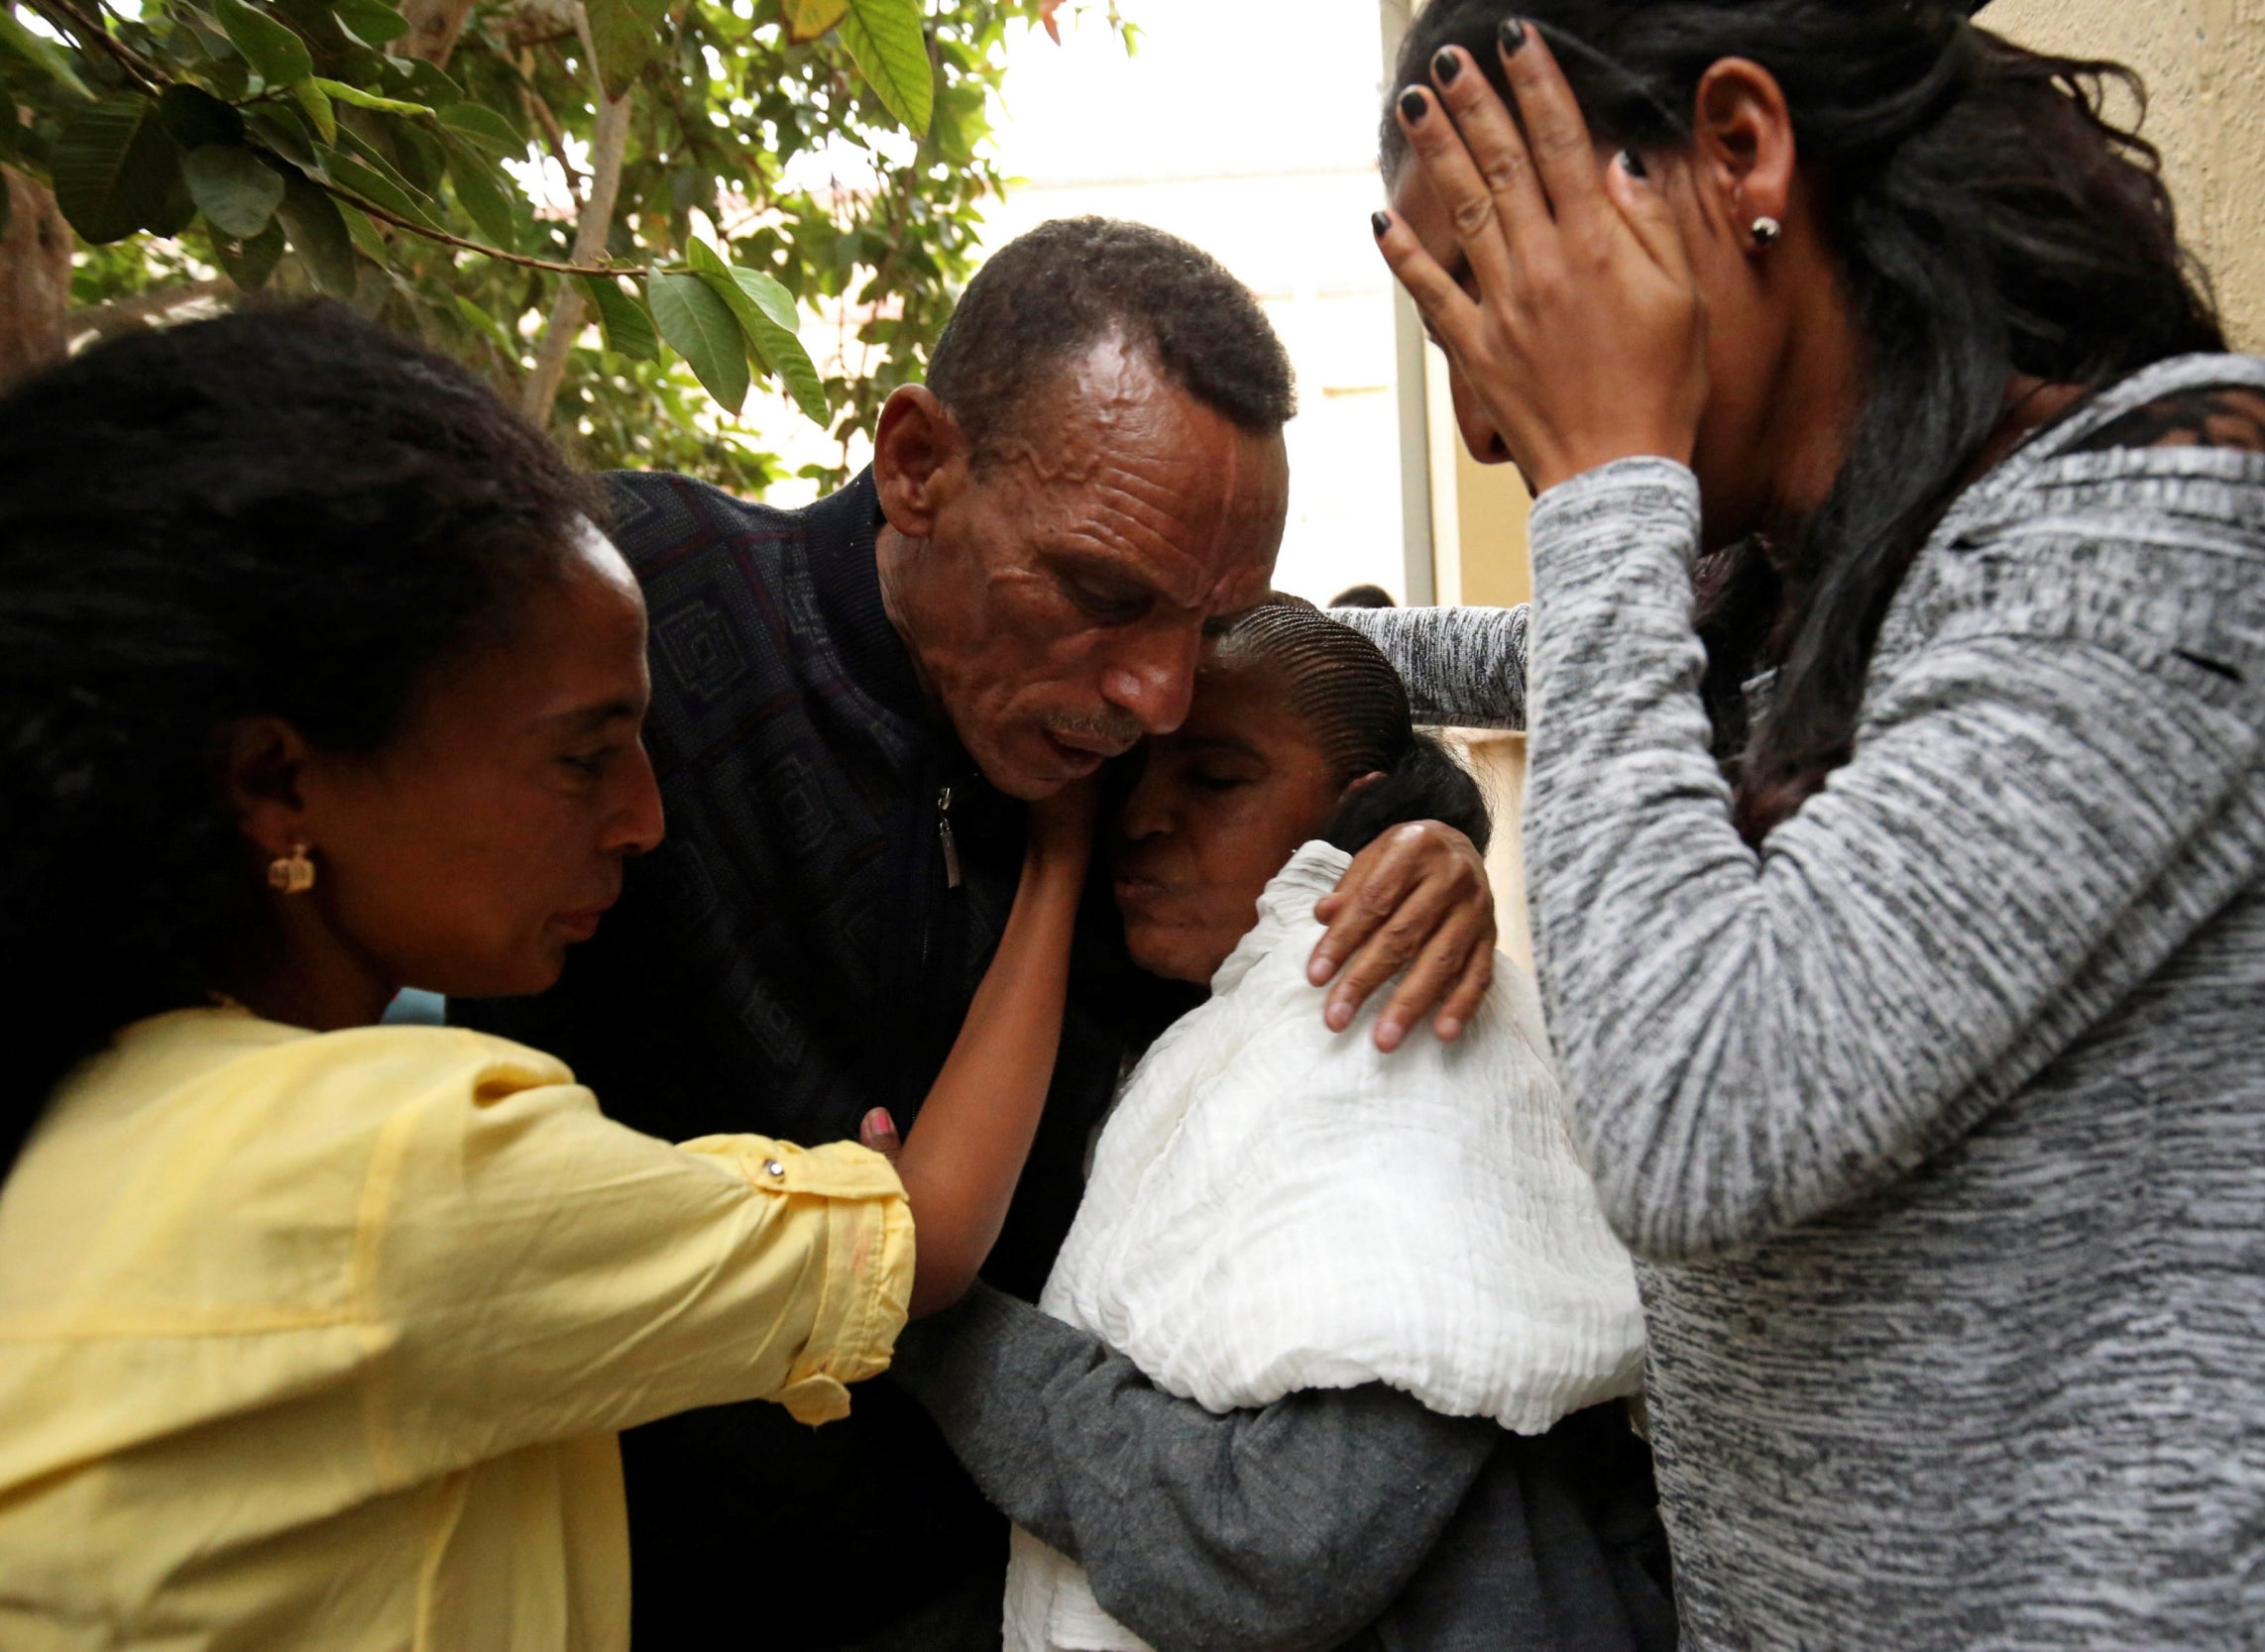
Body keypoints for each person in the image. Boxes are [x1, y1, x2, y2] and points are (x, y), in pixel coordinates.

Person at [1336, 5, 2265, 1647]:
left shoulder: (2195, 497)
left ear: (1742, 151)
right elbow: (1538, 660)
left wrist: (1604, 484)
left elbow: (1699, 1115)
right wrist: (1218, 651)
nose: (1486, 411)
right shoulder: (1796, 577)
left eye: (1502, 293)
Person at [462, 216, 1506, 1648]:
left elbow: (1319, 718)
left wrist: (1434, 838)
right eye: (1100, 592)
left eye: (1205, 625)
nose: (1155, 693)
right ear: (916, 464)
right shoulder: (642, 622)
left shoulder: (1127, 781)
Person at [0, 304, 1094, 1649]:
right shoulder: (400, 1158)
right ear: (279, 781)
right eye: (583, 755)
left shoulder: (92, 1090)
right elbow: (920, 1241)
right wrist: (1059, 852)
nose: (645, 817)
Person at [891, 603, 1674, 1652]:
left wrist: (923, 1306)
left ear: (1355, 813)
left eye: (1214, 779)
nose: (1140, 817)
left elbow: (1265, 1548)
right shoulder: (1192, 1021)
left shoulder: (1390, 1037)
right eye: (1134, 773)